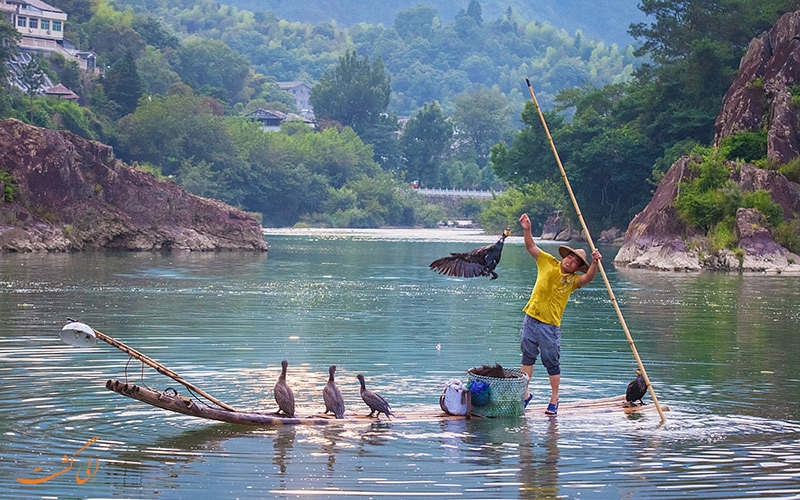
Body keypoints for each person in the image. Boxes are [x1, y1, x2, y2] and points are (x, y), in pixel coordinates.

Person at [518, 213, 601, 415]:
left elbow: (588, 278)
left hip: (550, 326)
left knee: (551, 362)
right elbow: (531, 247)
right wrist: (527, 230)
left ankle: (554, 399)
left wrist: (595, 263)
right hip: (531, 318)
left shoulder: (573, 281)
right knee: (527, 357)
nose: (570, 261)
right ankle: (524, 394)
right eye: (570, 257)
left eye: (575, 262)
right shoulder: (548, 262)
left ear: (577, 268)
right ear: (565, 257)